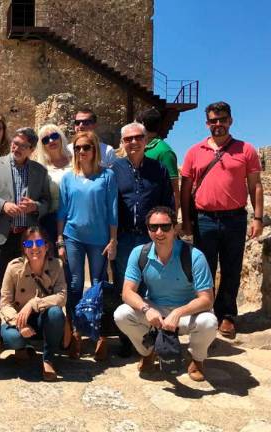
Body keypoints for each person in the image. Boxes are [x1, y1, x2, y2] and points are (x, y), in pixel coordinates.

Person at [180, 101, 263, 339]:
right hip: (204, 218)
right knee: (203, 268)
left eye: (222, 119)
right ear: (207, 123)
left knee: (231, 268)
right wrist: (186, 220)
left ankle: (226, 315)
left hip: (235, 218)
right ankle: (204, 312)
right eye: (213, 120)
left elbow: (255, 185)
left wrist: (258, 217)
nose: (218, 124)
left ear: (230, 120)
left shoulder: (245, 149)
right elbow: (185, 189)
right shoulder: (195, 151)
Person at [114, 206, 217, 382]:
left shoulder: (194, 256)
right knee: (122, 314)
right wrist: (146, 309)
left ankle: (197, 359)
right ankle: (148, 352)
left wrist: (177, 313)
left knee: (209, 322)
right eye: (153, 227)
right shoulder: (140, 253)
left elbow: (207, 299)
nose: (159, 232)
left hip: (185, 312)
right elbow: (127, 292)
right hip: (155, 309)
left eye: (165, 227)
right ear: (148, 230)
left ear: (175, 228)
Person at [110, 122, 174, 356]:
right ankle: (128, 340)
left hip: (152, 238)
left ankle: (155, 337)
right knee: (124, 286)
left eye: (138, 137)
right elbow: (110, 206)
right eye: (128, 139)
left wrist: (168, 234)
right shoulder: (114, 170)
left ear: (146, 141)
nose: (133, 142)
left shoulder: (159, 169)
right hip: (125, 237)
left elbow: (168, 202)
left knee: (153, 286)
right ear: (123, 143)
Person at [0, 127, 51, 306]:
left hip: (28, 238)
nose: (17, 148)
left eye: (23, 146)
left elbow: (46, 202)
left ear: (31, 150)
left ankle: (22, 326)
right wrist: (2, 205)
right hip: (1, 236)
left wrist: (35, 206)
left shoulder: (40, 171)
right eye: (15, 143)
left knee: (27, 283)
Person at [57, 131, 117, 359]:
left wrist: (113, 239)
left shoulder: (107, 176)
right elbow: (62, 211)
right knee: (74, 284)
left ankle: (100, 334)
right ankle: (75, 332)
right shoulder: (68, 177)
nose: (82, 151)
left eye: (86, 147)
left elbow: (112, 210)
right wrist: (59, 239)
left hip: (99, 238)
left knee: (99, 284)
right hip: (73, 236)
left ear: (95, 150)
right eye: (78, 148)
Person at [0, 227, 66, 381]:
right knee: (12, 337)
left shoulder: (56, 265)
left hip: (43, 317)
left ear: (47, 246)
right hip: (19, 318)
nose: (34, 248)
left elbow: (62, 297)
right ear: (24, 247)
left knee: (56, 313)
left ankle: (48, 359)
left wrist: (33, 303)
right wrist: (18, 323)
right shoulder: (13, 267)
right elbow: (5, 303)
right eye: (29, 244)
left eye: (39, 243)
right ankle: (22, 348)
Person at [33, 124, 72, 248]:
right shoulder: (41, 168)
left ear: (61, 137)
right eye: (45, 140)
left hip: (75, 217)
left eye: (54, 136)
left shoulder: (75, 160)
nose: (51, 141)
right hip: (51, 220)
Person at [136, 107, 181, 210]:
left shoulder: (164, 151)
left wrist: (173, 216)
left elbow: (174, 188)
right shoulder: (139, 148)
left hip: (156, 215)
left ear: (142, 124)